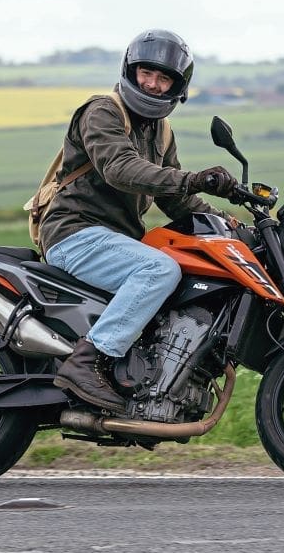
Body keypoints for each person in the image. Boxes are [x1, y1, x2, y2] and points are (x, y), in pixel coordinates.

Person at [38, 29, 238, 411]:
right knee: (159, 272)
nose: (153, 83)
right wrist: (195, 178)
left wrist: (229, 226)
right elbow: (121, 169)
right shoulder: (102, 111)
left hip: (115, 241)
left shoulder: (161, 132)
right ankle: (86, 362)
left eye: (164, 79)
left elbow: (176, 201)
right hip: (74, 233)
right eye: (147, 72)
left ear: (176, 88)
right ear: (131, 70)